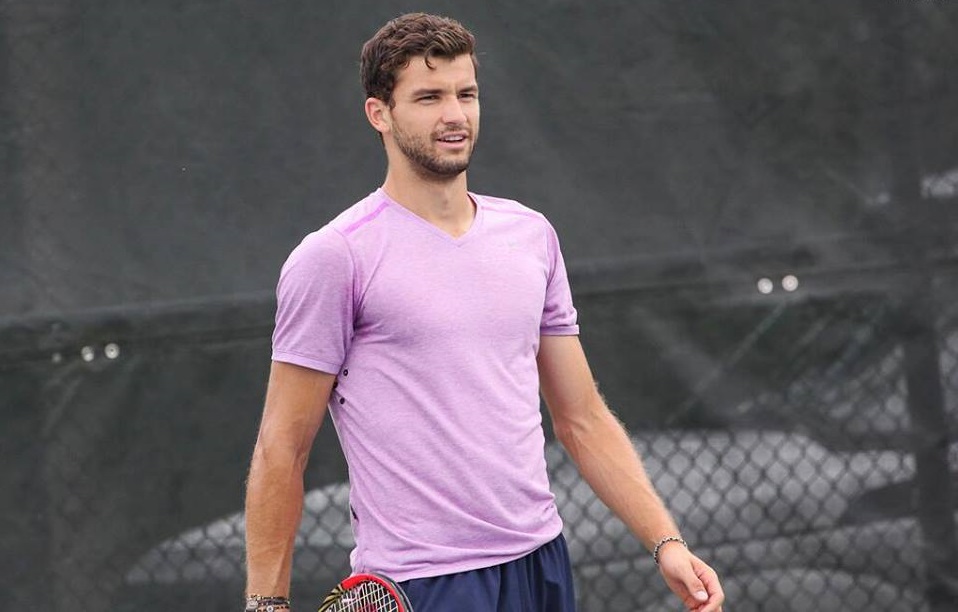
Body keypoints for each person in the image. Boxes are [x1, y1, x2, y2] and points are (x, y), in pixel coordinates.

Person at [244, 12, 724, 612]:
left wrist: (666, 542)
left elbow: (582, 419)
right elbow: (282, 447)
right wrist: (266, 604)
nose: (455, 114)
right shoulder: (334, 257)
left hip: (542, 564)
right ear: (379, 114)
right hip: (423, 583)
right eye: (429, 97)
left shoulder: (530, 235)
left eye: (465, 94)